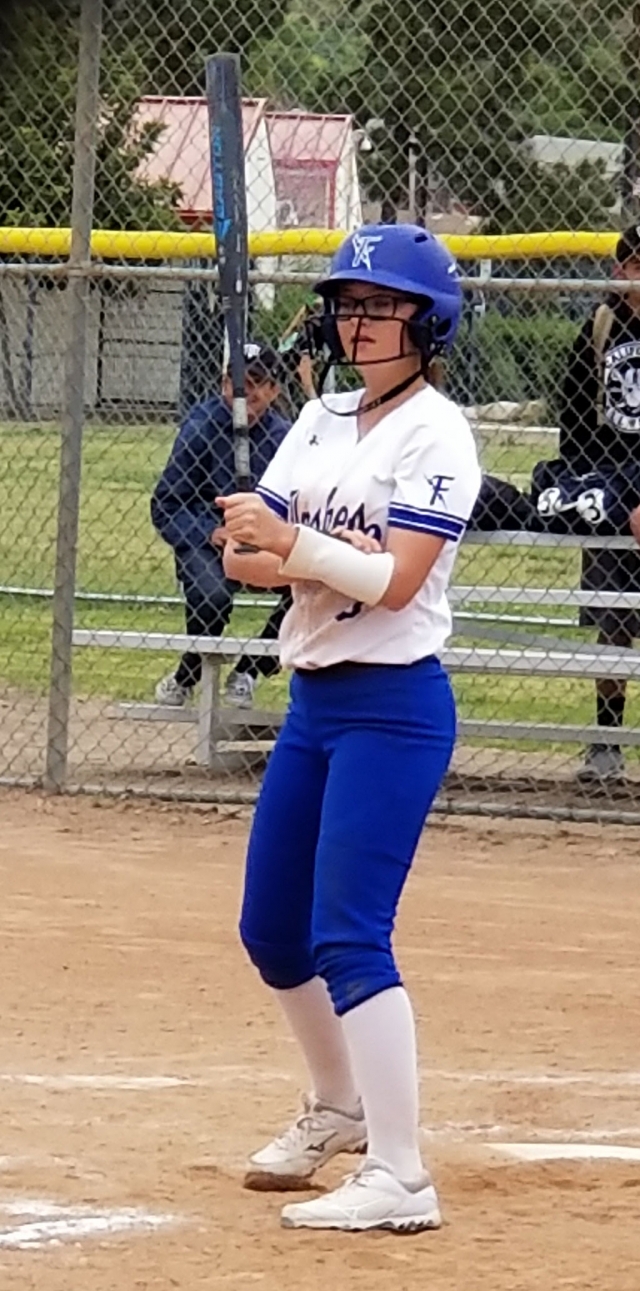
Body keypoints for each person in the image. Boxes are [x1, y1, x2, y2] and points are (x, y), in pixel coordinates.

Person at [217, 224, 481, 1233]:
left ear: (428, 321)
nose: (359, 321)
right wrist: (266, 542)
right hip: (315, 702)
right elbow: (244, 560)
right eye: (350, 304)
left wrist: (294, 545)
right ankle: (339, 1106)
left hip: (394, 708)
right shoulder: (322, 421)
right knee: (272, 930)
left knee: (348, 935)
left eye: (382, 305)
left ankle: (403, 1175)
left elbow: (397, 580)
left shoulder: (437, 432)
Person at [151, 343, 292, 709]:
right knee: (211, 596)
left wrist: (273, 534)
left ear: (274, 390)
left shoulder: (285, 438)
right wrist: (210, 532)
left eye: (257, 383)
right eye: (237, 382)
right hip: (209, 539)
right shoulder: (201, 426)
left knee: (316, 582)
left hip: (266, 539)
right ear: (223, 383)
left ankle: (250, 670)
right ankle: (189, 673)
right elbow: (165, 504)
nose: (245, 394)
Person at [559, 224, 640, 782]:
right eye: (635, 264)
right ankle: (607, 740)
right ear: (622, 270)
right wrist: (583, 483)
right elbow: (574, 414)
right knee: (613, 623)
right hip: (611, 488)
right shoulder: (600, 326)